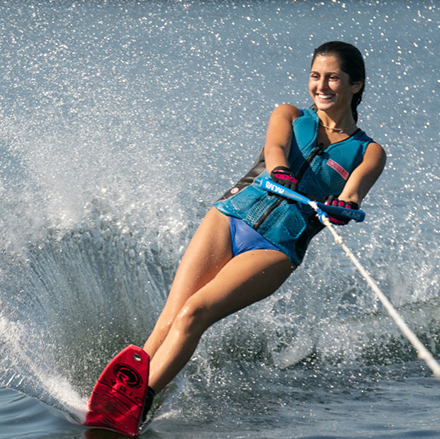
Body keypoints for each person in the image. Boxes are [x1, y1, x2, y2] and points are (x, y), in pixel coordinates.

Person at [140, 41, 387, 416]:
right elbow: (275, 149)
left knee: (194, 313)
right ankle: (122, 388)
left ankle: (141, 401)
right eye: (315, 76)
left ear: (356, 85)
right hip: (229, 218)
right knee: (169, 318)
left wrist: (343, 207)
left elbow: (354, 193)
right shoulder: (288, 114)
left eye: (333, 78)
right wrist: (282, 171)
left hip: (275, 249)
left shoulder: (369, 152)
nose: (321, 86)